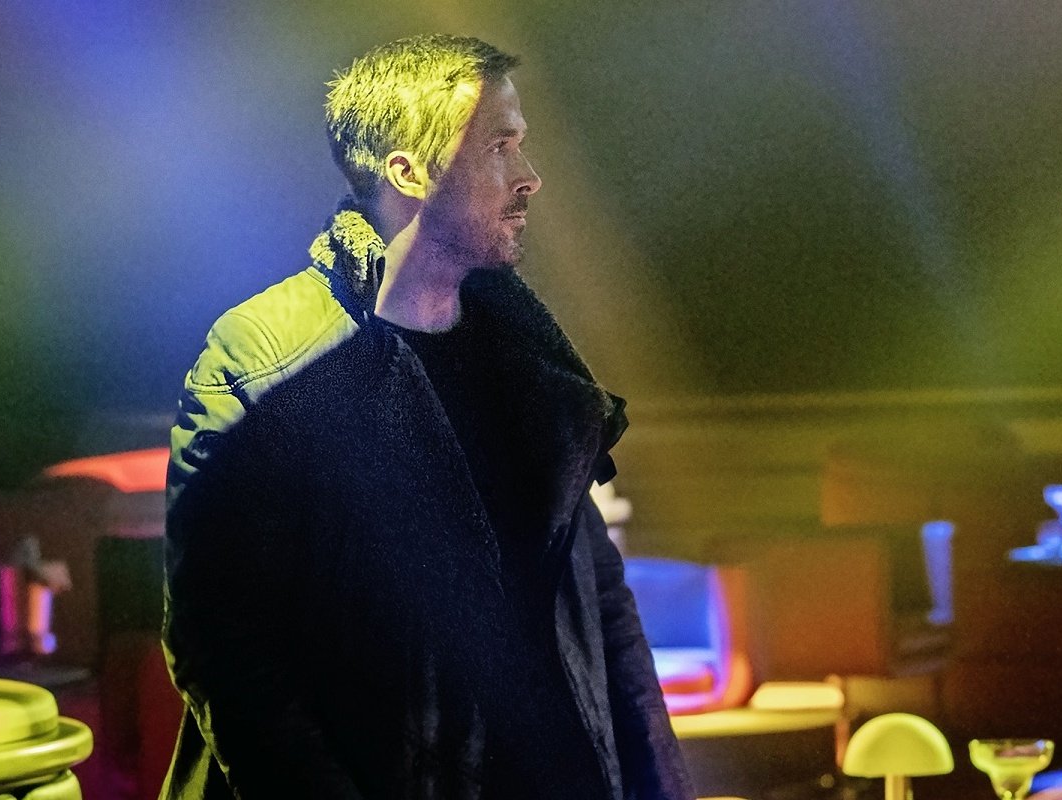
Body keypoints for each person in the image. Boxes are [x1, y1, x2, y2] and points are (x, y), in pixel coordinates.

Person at [160, 34, 691, 799]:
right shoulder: (263, 356)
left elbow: (601, 608)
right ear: (409, 172)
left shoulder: (528, 358)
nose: (530, 176)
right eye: (499, 148)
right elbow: (226, 652)